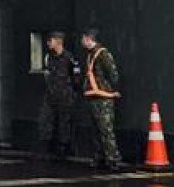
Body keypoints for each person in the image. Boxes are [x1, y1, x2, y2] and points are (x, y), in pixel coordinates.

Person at [80, 28, 123, 170]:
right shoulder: (90, 55)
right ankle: (99, 156)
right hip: (94, 96)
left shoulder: (103, 54)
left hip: (103, 98)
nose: (82, 41)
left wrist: (110, 88)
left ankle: (112, 158)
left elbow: (113, 74)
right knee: (96, 130)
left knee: (106, 129)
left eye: (84, 38)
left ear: (88, 38)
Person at [37, 31, 81, 157]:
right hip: (51, 95)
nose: (48, 43)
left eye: (50, 41)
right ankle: (48, 147)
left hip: (65, 95)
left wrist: (72, 91)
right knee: (46, 120)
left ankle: (64, 148)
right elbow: (47, 73)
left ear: (58, 41)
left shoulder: (69, 58)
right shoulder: (49, 57)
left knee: (64, 122)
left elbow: (76, 76)